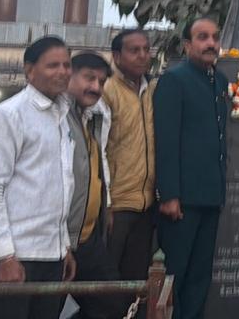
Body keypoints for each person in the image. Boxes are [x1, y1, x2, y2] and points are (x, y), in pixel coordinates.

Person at [0, 36, 77, 319]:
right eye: (53, 65)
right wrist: (5, 256)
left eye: (67, 65)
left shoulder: (62, 114)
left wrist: (64, 246)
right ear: (30, 71)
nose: (62, 72)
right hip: (15, 256)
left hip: (51, 255)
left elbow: (60, 185)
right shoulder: (11, 114)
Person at [152, 17, 228, 319]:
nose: (211, 43)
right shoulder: (175, 79)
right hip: (181, 201)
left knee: (199, 278)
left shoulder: (219, 81)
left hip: (210, 197)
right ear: (187, 45)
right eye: (202, 37)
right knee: (175, 277)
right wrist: (169, 194)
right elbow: (166, 140)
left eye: (215, 37)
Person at [65, 51, 130, 319]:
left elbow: (99, 160)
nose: (95, 87)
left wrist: (107, 205)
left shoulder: (93, 116)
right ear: (68, 75)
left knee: (112, 305)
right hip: (58, 239)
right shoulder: (56, 116)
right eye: (88, 78)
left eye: (101, 82)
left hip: (88, 236)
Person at [102, 29, 158, 286]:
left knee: (136, 282)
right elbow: (100, 150)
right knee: (107, 284)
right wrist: (107, 204)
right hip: (117, 206)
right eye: (134, 50)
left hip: (146, 205)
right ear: (117, 56)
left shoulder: (152, 90)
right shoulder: (107, 91)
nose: (142, 56)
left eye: (146, 49)